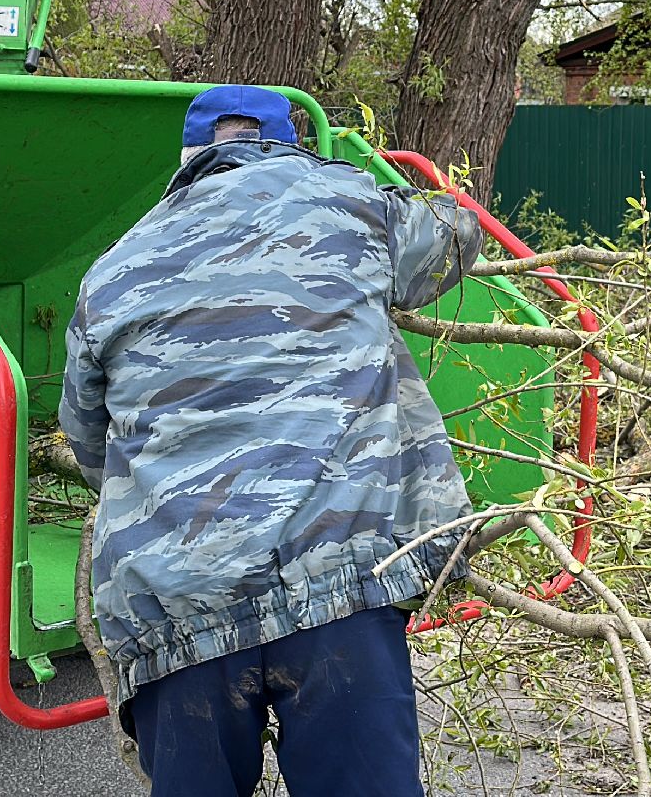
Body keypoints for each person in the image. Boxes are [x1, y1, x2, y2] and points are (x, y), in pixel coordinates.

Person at [59, 85, 484, 797]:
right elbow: (457, 234)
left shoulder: (113, 269)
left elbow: (88, 442)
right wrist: (370, 180)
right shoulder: (352, 205)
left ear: (191, 159)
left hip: (177, 613)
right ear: (288, 144)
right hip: (338, 590)